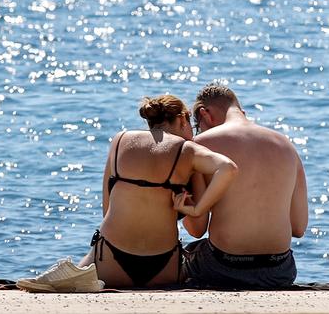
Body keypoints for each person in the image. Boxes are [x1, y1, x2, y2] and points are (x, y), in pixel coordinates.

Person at [80, 94, 238, 289]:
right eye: (192, 126)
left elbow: (107, 209)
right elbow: (228, 168)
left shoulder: (120, 140)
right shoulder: (187, 151)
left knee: (70, 275)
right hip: (163, 268)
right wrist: (196, 208)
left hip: (110, 262)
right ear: (182, 119)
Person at [181, 83, 308, 289]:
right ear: (242, 112)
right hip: (280, 270)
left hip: (223, 267)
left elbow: (196, 228)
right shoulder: (286, 145)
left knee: (186, 254)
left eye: (198, 125)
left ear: (205, 114)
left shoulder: (201, 145)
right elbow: (299, 227)